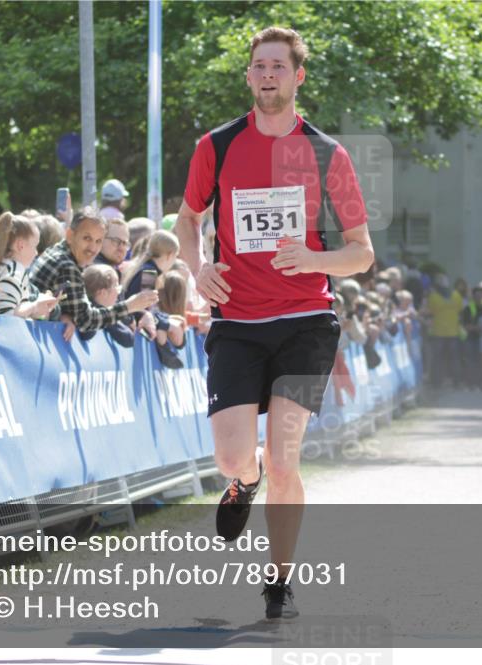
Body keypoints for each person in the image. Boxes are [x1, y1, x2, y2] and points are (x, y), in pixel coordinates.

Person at [173, 26, 373, 619]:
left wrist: (313, 258)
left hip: (305, 321)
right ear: (249, 76)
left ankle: (278, 579)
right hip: (237, 319)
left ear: (298, 76)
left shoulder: (328, 154)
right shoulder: (218, 145)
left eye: (278, 66)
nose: (267, 76)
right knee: (235, 459)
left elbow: (362, 252)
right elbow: (187, 219)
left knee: (287, 457)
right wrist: (197, 266)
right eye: (259, 66)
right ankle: (244, 479)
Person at [28, 207, 158, 339]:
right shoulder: (67, 265)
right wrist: (130, 306)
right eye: (87, 238)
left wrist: (63, 314)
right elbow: (86, 321)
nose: (93, 248)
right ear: (70, 235)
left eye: (98, 241)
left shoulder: (60, 251)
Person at [0, 212, 58, 318]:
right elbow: (6, 316)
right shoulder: (13, 273)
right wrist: (35, 306)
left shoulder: (3, 266)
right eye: (35, 246)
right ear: (20, 246)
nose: (36, 253)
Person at [80, 264, 135, 346]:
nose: (118, 294)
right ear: (103, 293)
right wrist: (107, 319)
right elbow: (129, 339)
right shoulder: (85, 309)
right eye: (117, 288)